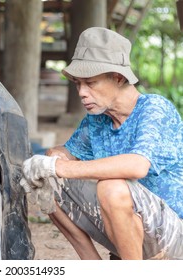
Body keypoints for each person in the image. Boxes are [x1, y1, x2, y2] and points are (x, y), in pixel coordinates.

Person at [20, 27, 183, 260]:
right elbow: (65, 154)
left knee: (111, 187)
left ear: (118, 77)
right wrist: (52, 159)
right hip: (132, 234)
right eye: (77, 84)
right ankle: (94, 266)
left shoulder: (155, 109)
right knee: (49, 180)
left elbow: (137, 166)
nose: (82, 93)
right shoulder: (97, 119)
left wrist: (63, 167)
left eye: (90, 83)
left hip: (175, 237)